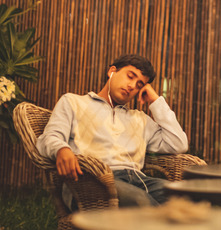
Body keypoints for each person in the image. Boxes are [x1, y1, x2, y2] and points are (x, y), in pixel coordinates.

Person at [37, 54, 188, 207]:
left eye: (139, 85)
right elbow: (50, 136)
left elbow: (178, 143)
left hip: (139, 180)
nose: (132, 86)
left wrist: (155, 100)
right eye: (130, 76)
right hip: (92, 182)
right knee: (141, 202)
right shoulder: (73, 102)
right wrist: (62, 149)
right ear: (112, 71)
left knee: (185, 198)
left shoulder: (140, 119)